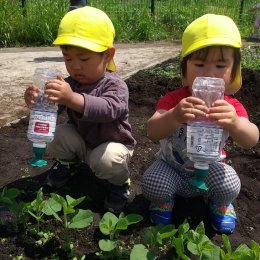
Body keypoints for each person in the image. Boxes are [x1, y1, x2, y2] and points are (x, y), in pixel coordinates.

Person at [141, 14, 259, 234]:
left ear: (233, 71)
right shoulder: (175, 100)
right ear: (185, 67)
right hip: (173, 168)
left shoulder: (230, 105)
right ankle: (164, 202)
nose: (208, 73)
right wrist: (174, 116)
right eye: (199, 64)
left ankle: (220, 203)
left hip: (210, 168)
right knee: (152, 183)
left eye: (220, 65)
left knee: (231, 184)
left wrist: (234, 122)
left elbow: (251, 139)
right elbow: (151, 131)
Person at [24, 6, 136, 213]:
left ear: (108, 55)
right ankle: (68, 164)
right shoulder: (71, 83)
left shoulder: (115, 85)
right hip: (83, 144)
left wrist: (71, 97)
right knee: (58, 133)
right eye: (68, 58)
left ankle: (120, 184)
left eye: (83, 58)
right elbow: (53, 111)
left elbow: (108, 109)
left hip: (113, 146)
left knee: (107, 160)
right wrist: (39, 102)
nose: (75, 66)